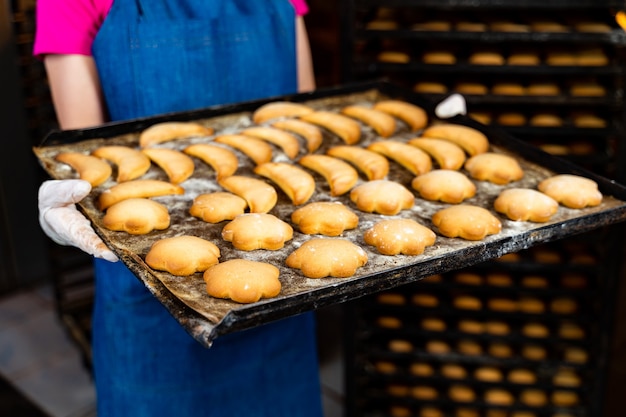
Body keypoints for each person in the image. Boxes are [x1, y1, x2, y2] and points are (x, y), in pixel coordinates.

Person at [34, 1, 323, 416]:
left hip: (274, 262)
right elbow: (87, 158)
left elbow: (303, 121)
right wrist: (67, 203)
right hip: (151, 282)